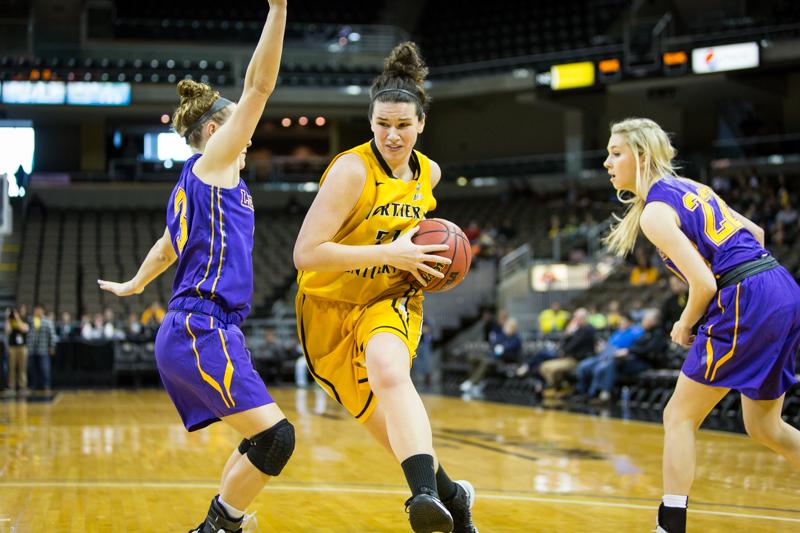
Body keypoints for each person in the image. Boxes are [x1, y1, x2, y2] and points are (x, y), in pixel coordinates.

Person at [98, 3, 292, 532]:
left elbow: (167, 246)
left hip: (204, 327)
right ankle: (217, 526)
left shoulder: (200, 183)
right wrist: (277, 11)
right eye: (238, 129)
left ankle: (222, 521)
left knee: (262, 438)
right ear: (213, 130)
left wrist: (136, 282)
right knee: (277, 439)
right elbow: (258, 87)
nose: (248, 137)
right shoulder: (214, 164)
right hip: (199, 326)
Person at [292, 42, 477, 533]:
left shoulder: (429, 173)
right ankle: (452, 498)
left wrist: (416, 263)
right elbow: (306, 254)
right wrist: (388, 252)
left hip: (388, 297)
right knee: (388, 430)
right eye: (382, 125)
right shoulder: (352, 170)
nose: (392, 136)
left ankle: (421, 498)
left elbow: (414, 245)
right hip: (327, 308)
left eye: (403, 125)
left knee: (389, 370)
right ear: (370, 123)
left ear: (421, 125)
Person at [602, 117, 800, 533]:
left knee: (678, 416)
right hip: (781, 286)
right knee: (764, 426)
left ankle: (669, 523)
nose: (607, 162)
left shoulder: (656, 210)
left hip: (749, 295)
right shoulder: (693, 188)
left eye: (615, 152)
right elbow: (758, 234)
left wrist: (684, 322)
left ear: (640, 155)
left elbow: (704, 283)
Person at [26, 304, 58, 394]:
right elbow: (27, 335)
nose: (37, 312)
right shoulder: (30, 321)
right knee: (31, 369)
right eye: (36, 310)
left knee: (45, 369)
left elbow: (52, 335)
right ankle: (31, 386)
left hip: (43, 349)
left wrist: (52, 347)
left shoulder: (47, 322)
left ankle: (46, 386)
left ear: (43, 311)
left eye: (39, 310)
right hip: (31, 349)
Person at [5, 306, 29, 396]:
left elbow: (24, 328)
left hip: (22, 347)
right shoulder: (10, 321)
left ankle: (22, 387)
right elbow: (7, 331)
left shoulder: (25, 319)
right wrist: (8, 318)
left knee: (22, 368)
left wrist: (17, 318)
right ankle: (11, 387)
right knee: (11, 368)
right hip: (12, 347)